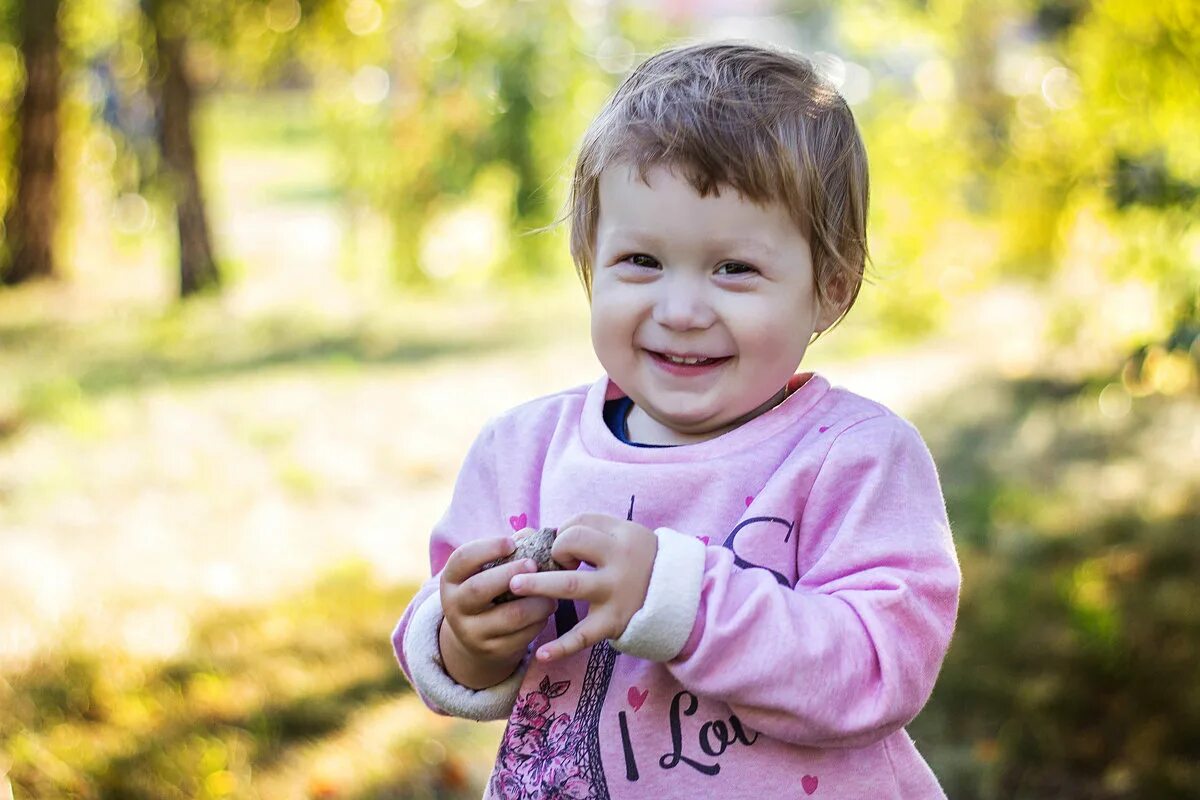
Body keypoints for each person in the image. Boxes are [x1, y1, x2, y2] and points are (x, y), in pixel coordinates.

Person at [393, 40, 960, 799]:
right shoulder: (525, 449)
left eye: (735, 268)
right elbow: (455, 646)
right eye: (641, 262)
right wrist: (465, 638)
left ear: (829, 287)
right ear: (589, 260)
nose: (683, 310)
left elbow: (879, 666)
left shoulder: (855, 460)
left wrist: (677, 600)